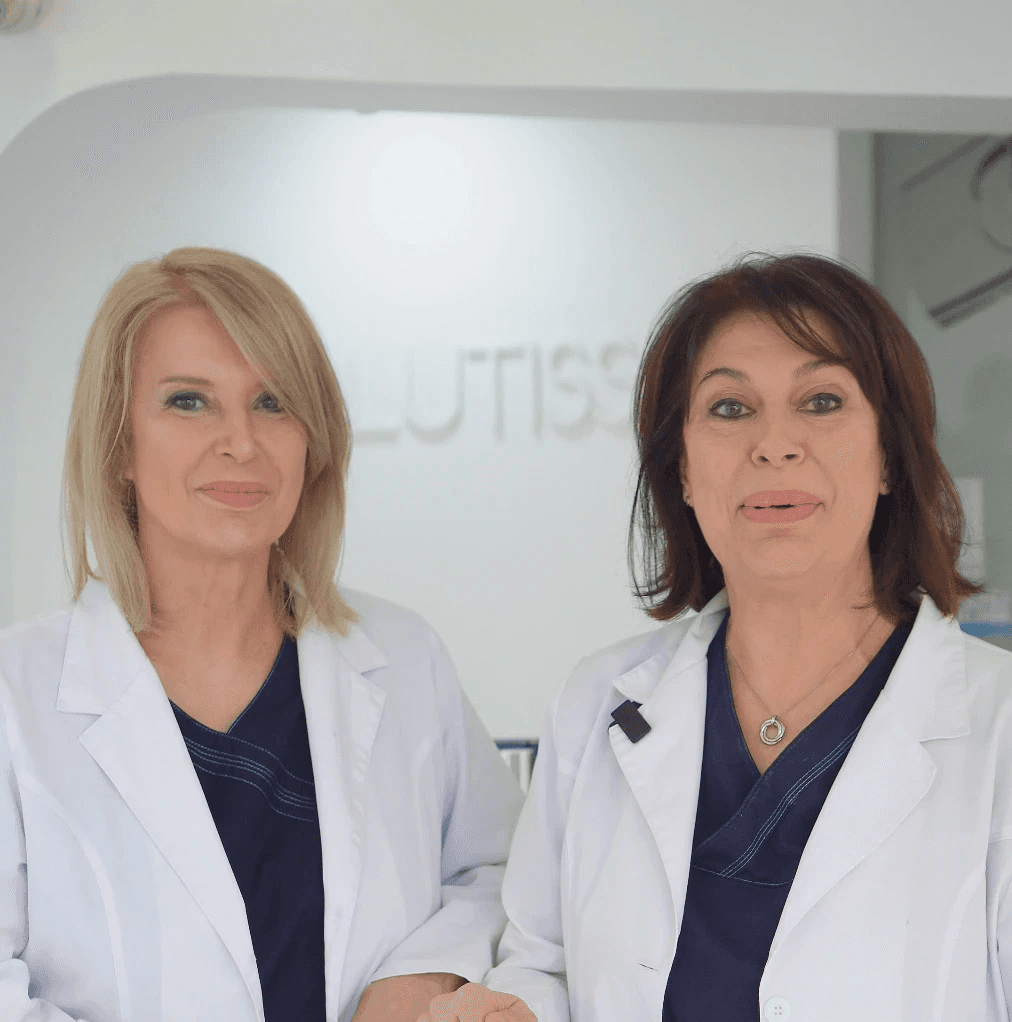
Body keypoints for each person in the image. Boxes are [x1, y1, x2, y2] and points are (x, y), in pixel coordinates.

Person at [420, 252, 1012, 1022]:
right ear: (685, 471)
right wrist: (519, 1008)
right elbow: (545, 958)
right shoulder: (597, 701)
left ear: (891, 457)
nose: (775, 444)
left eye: (822, 401)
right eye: (730, 409)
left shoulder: (997, 726)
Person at [0, 247, 525, 1022]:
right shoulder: (19, 696)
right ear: (117, 445)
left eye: (273, 402)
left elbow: (504, 873)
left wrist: (423, 976)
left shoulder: (405, 658)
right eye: (189, 401)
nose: (241, 441)